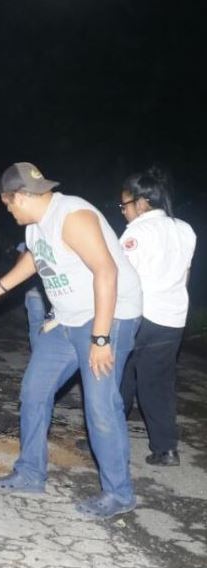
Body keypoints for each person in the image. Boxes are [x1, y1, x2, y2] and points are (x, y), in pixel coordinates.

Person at [0, 162, 142, 519]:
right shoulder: (38, 226)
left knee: (100, 406)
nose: (8, 211)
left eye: (8, 204)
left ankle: (119, 493)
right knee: (34, 391)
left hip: (108, 317)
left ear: (20, 196)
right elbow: (36, 259)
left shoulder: (72, 215)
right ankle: (30, 473)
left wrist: (100, 338)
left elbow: (106, 271)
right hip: (67, 319)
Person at [117, 167, 197, 466]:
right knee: (158, 384)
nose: (124, 212)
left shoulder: (138, 231)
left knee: (119, 379)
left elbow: (122, 276)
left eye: (124, 205)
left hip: (139, 316)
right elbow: (184, 277)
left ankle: (107, 439)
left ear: (140, 202)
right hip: (172, 317)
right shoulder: (185, 229)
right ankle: (166, 449)